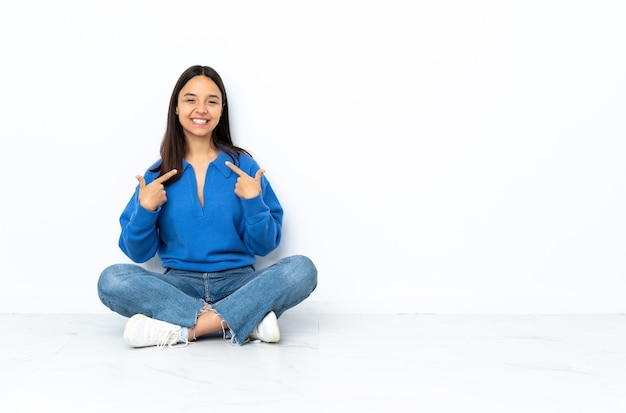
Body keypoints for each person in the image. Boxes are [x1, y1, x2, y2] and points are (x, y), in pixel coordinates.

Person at [97, 65, 317, 348]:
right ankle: (244, 320)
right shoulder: (157, 175)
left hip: (238, 283)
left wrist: (253, 203)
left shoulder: (244, 168)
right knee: (112, 280)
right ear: (176, 108)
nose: (201, 109)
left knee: (301, 269)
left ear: (221, 109)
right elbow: (137, 253)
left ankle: (183, 329)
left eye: (211, 101)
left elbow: (265, 246)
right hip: (179, 286)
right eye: (190, 100)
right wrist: (145, 210)